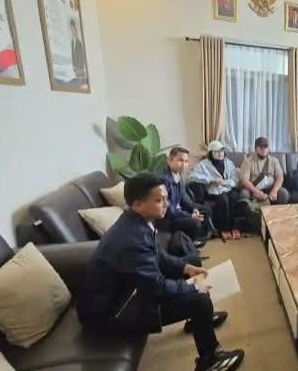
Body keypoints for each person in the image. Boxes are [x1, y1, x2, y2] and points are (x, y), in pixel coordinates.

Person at [76, 173, 245, 371]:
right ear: (138, 204)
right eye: (159, 200)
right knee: (199, 299)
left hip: (126, 292)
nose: (167, 204)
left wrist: (185, 268)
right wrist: (193, 287)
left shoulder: (137, 220)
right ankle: (210, 361)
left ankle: (198, 319)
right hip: (111, 313)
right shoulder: (131, 240)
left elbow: (159, 255)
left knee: (191, 263)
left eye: (166, 198)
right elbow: (158, 288)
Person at [159, 147, 214, 242]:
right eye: (180, 160)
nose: (184, 165)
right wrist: (189, 215)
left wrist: (193, 209)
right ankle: (191, 242)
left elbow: (184, 198)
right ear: (169, 160)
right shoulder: (164, 180)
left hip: (178, 211)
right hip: (168, 218)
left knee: (205, 210)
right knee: (193, 221)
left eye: (186, 161)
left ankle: (199, 238)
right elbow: (169, 210)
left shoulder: (178, 175)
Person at [189, 140, 241, 240]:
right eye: (216, 151)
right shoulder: (203, 164)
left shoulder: (229, 163)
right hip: (214, 190)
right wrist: (211, 180)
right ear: (211, 153)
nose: (220, 153)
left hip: (227, 188)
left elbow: (235, 180)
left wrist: (224, 182)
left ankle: (233, 226)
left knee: (234, 197)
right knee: (223, 199)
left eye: (221, 151)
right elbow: (192, 177)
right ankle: (224, 228)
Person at [239, 136, 289, 205]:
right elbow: (244, 180)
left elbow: (280, 177)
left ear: (268, 148)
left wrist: (274, 191)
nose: (263, 149)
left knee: (284, 193)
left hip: (270, 189)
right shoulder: (248, 161)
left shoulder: (274, 161)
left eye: (265, 147)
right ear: (255, 148)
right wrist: (256, 192)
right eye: (260, 147)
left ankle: (277, 211)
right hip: (253, 189)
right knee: (244, 194)